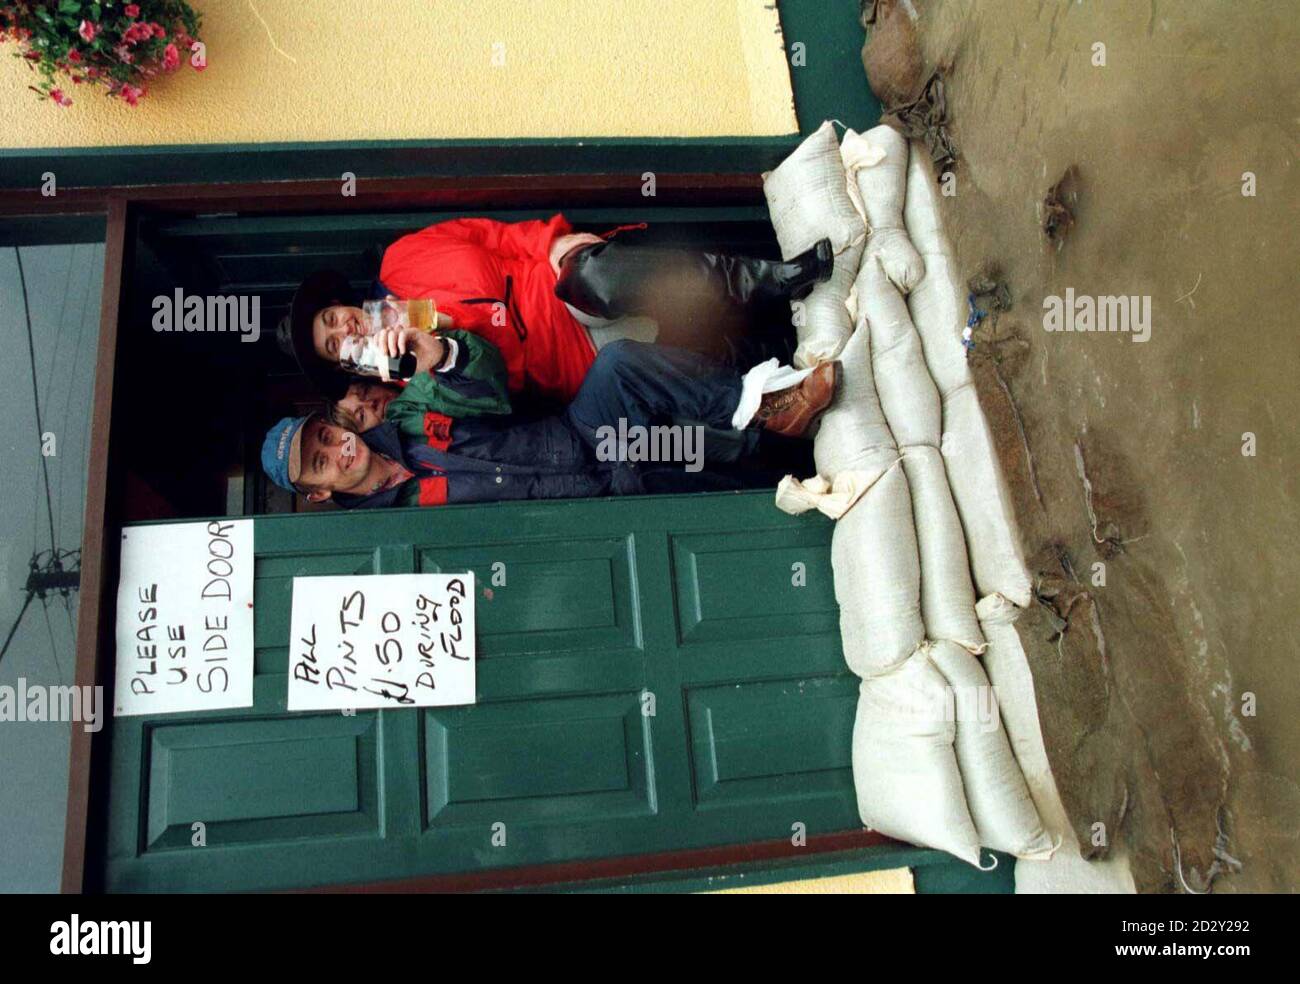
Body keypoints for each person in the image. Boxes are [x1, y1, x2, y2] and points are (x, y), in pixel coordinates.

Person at [275, 214, 833, 405]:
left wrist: (551, 243)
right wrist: (436, 350)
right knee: (647, 352)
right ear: (346, 362)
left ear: (339, 303)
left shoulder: (402, 258)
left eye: (329, 319)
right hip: (567, 357)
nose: (341, 329)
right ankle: (785, 351)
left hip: (560, 285)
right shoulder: (402, 380)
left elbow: (493, 237)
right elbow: (494, 397)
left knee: (598, 276)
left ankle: (773, 281)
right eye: (334, 345)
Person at [262, 337, 840, 510]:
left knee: (616, 366)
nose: (338, 447)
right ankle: (793, 475)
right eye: (320, 460)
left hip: (581, 436)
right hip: (590, 508)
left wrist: (440, 354)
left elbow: (480, 383)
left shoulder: (406, 415)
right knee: (697, 470)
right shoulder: (383, 534)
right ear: (316, 492)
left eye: (327, 434)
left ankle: (768, 408)